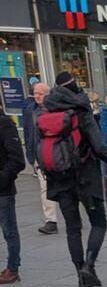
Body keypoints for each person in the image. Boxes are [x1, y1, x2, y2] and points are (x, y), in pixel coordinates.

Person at [39, 72, 107, 287]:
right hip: (85, 177)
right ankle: (89, 266)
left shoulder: (47, 110)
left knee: (72, 228)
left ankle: (80, 274)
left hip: (59, 178)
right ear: (75, 86)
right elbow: (98, 145)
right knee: (99, 222)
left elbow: (38, 146)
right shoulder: (81, 110)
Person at [22, 80, 60, 234]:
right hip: (39, 154)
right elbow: (27, 132)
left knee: (65, 186)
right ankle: (51, 220)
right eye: (35, 93)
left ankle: (73, 214)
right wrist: (30, 154)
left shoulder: (56, 108)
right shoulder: (30, 110)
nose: (37, 96)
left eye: (40, 94)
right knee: (45, 188)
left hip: (56, 153)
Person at [0, 107, 26, 284]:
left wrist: (3, 178)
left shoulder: (5, 125)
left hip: (3, 190)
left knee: (9, 230)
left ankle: (13, 268)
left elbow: (17, 160)